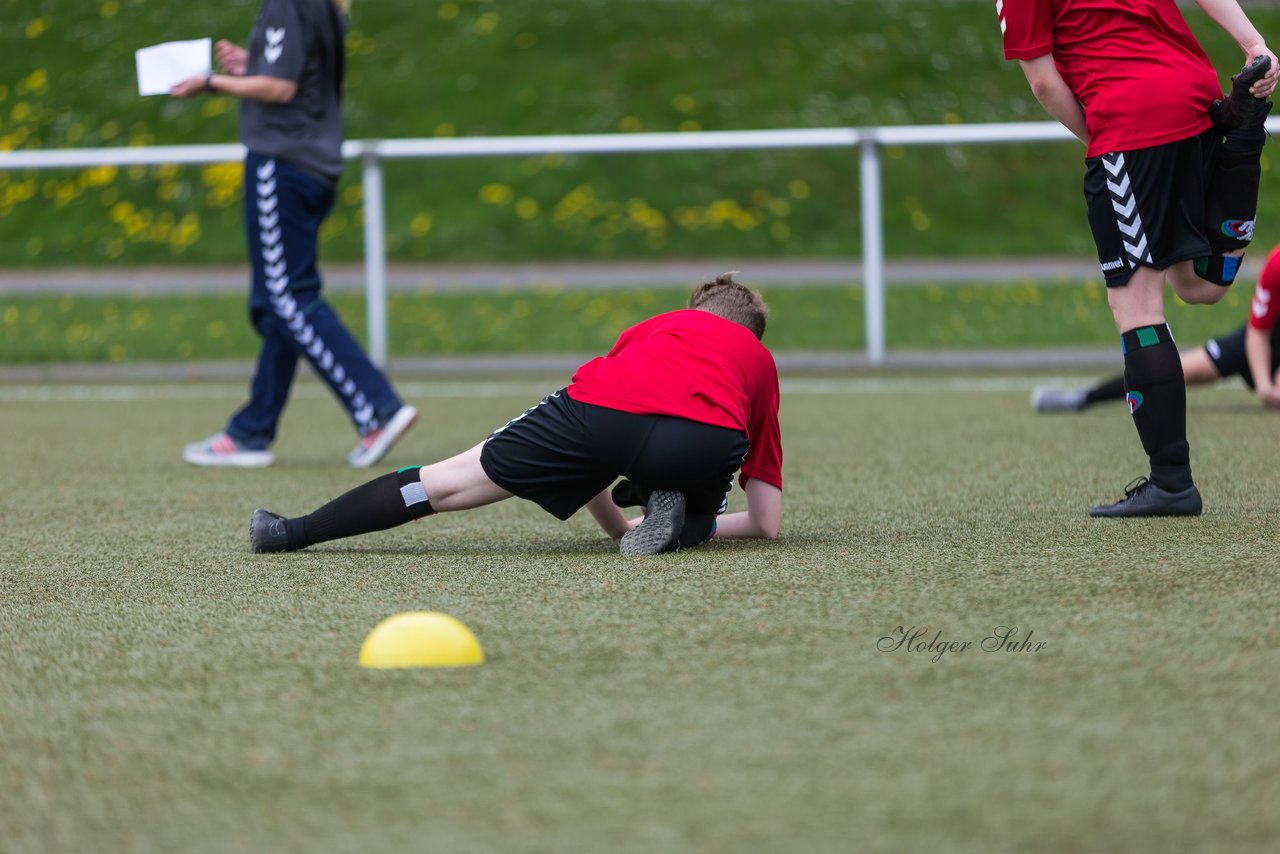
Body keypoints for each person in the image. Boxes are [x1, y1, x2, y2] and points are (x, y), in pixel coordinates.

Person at [247, 274, 783, 557]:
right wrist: (696, 526)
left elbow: (597, 419)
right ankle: (688, 524)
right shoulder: (758, 362)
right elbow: (765, 522)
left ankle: (291, 532)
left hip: (601, 417)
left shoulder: (660, 326)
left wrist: (615, 528)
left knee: (446, 483)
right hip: (705, 444)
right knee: (694, 494)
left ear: (692, 312)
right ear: (752, 334)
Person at [998, 0, 1277, 517]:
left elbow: (1042, 82)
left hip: (1130, 119)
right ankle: (1240, 143)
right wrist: (1253, 42)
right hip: (1197, 97)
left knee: (1137, 308)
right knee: (1200, 286)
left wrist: (1105, 137)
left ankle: (1171, 482)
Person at [171, 0, 416, 469]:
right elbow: (298, 77)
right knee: (275, 302)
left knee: (288, 297)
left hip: (282, 163)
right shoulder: (320, 6)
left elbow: (281, 88)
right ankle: (250, 431)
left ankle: (378, 409)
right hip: (312, 162)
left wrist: (212, 82)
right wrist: (250, 66)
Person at [1034, 244, 1280, 413]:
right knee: (1177, 370)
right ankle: (1082, 398)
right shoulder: (1276, 264)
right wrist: (1264, 388)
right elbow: (1258, 331)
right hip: (1264, 341)